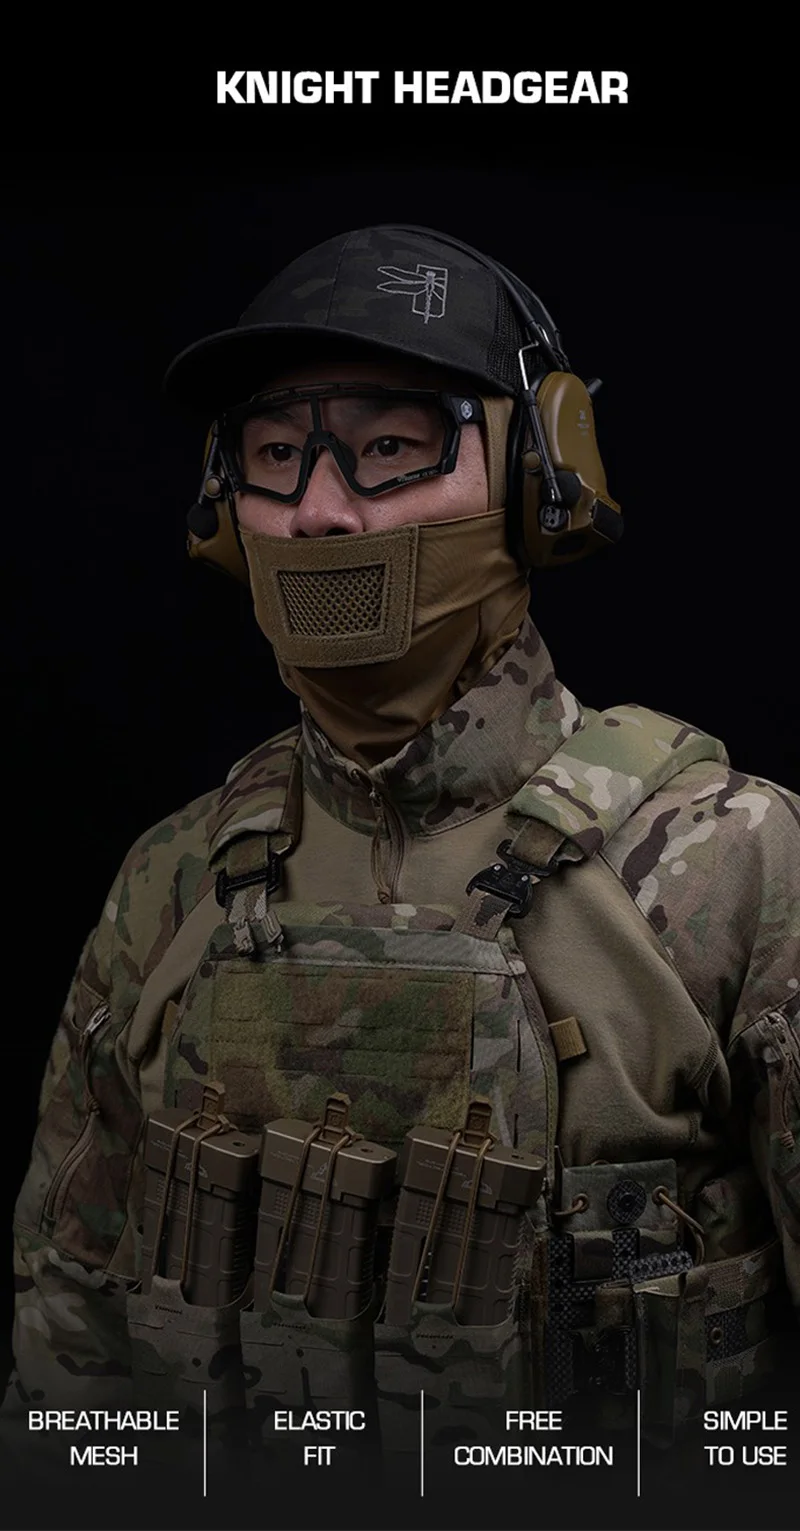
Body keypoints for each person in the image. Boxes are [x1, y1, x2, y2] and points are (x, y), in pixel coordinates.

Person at [5, 225, 799, 1474]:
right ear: (224, 510)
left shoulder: (730, 864)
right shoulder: (172, 880)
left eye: (389, 447)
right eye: (275, 455)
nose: (322, 512)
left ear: (540, 476)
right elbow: (71, 1344)